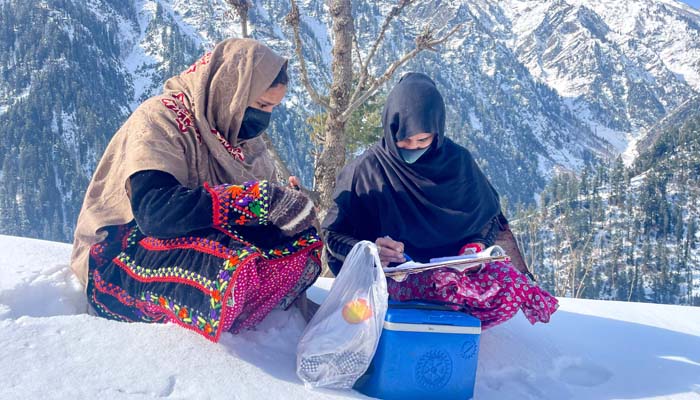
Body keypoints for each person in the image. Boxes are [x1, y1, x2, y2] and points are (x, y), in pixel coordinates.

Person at [71, 39, 322, 342]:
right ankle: (231, 302)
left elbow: (257, 214)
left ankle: (244, 303)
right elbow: (155, 211)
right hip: (127, 249)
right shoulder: (161, 119)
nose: (265, 118)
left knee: (298, 247)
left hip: (200, 238)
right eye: (261, 106)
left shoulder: (244, 143)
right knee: (227, 267)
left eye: (273, 108)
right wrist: (256, 201)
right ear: (233, 92)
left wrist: (287, 215)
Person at [322, 72, 557, 329]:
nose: (413, 148)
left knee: (511, 285)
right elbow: (333, 235)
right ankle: (420, 323)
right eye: (403, 140)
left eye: (423, 140)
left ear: (438, 131)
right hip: (391, 279)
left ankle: (447, 326)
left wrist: (476, 246)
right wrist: (371, 252)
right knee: (438, 289)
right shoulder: (367, 170)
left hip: (458, 274)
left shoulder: (458, 164)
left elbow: (488, 219)